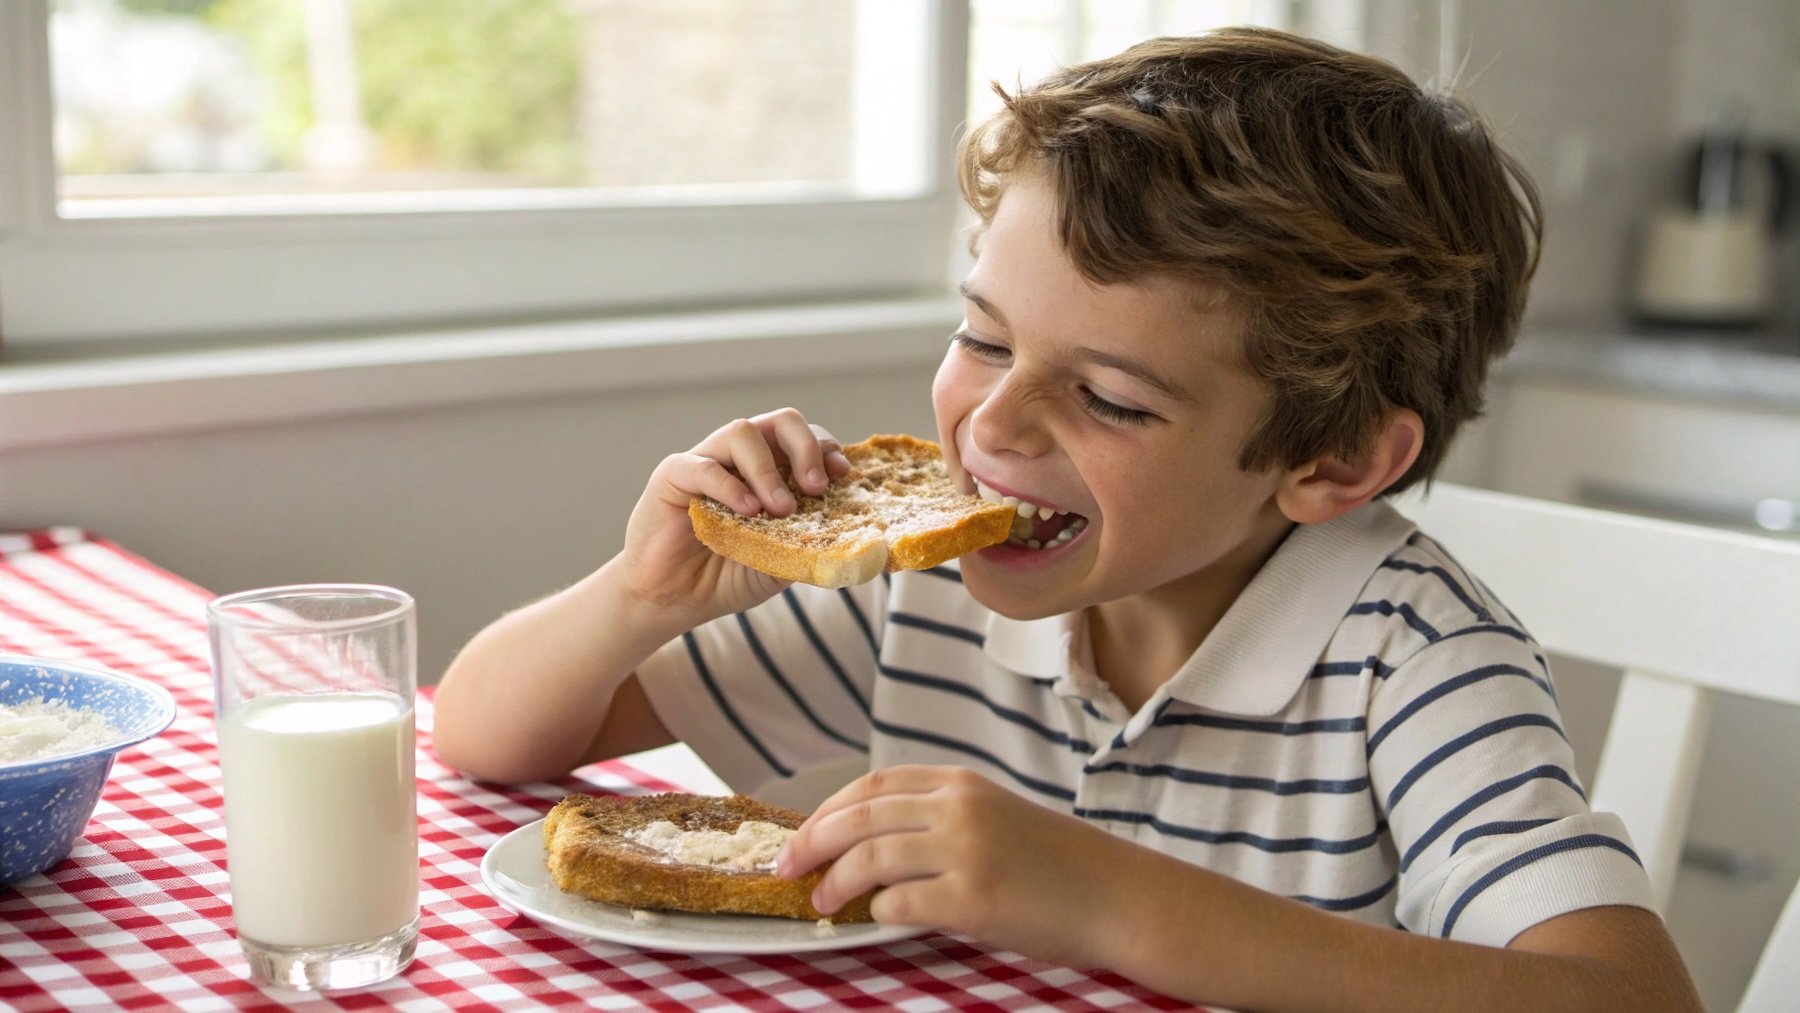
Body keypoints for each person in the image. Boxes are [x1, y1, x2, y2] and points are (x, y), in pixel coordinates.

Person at [434, 27, 1702, 1011]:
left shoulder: (1412, 660)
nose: (993, 425)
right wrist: (640, 597)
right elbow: (486, 737)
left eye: (1109, 397)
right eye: (984, 336)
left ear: (1335, 459)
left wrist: (1100, 895)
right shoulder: (924, 587)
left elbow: (1634, 998)